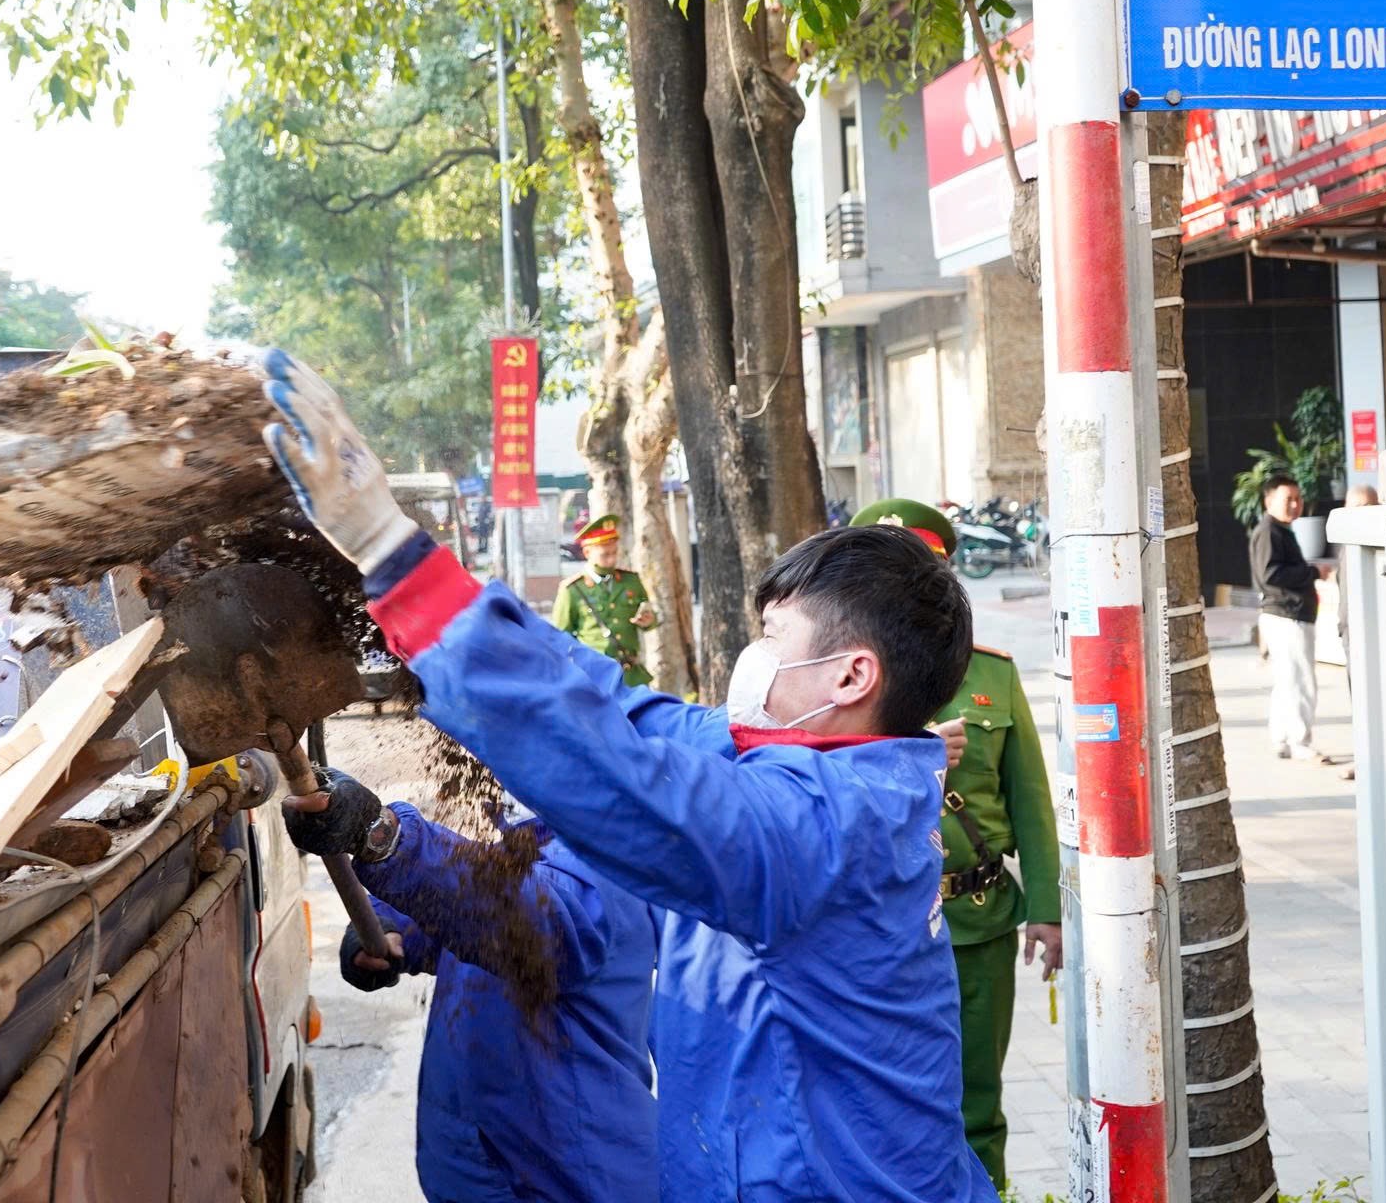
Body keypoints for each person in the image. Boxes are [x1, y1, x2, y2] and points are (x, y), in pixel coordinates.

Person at [256, 351, 999, 1203]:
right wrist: (408, 604)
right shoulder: (782, 759)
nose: (752, 656)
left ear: (851, 675)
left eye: (773, 636)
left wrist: (394, 555)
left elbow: (612, 777)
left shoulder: (824, 827)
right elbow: (617, 711)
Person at [282, 769, 657, 1203]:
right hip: (478, 1169)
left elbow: (518, 917)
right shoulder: (525, 847)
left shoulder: (604, 867)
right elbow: (462, 916)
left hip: (568, 1177)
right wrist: (387, 925)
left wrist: (382, 837)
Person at [850, 498, 1062, 1192]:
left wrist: (1047, 909)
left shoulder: (992, 675)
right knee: (881, 1106)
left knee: (977, 1105)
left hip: (977, 920)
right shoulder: (842, 681)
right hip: (878, 923)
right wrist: (911, 756)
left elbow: (1029, 798)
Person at [1247, 475, 1332, 762]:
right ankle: (1299, 741)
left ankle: (1283, 739)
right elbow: (1271, 575)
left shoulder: (1278, 530)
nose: (1295, 505)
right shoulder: (1270, 532)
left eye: (1298, 498)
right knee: (1300, 681)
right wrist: (1312, 573)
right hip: (1287, 616)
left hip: (1287, 615)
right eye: (1288, 499)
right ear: (1269, 501)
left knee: (1287, 681)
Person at [551, 514, 659, 688]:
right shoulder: (572, 589)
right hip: (594, 675)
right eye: (605, 554)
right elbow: (560, 637)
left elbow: (650, 617)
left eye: (614, 553)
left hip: (629, 674)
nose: (612, 559)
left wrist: (649, 620)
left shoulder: (631, 581)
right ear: (587, 553)